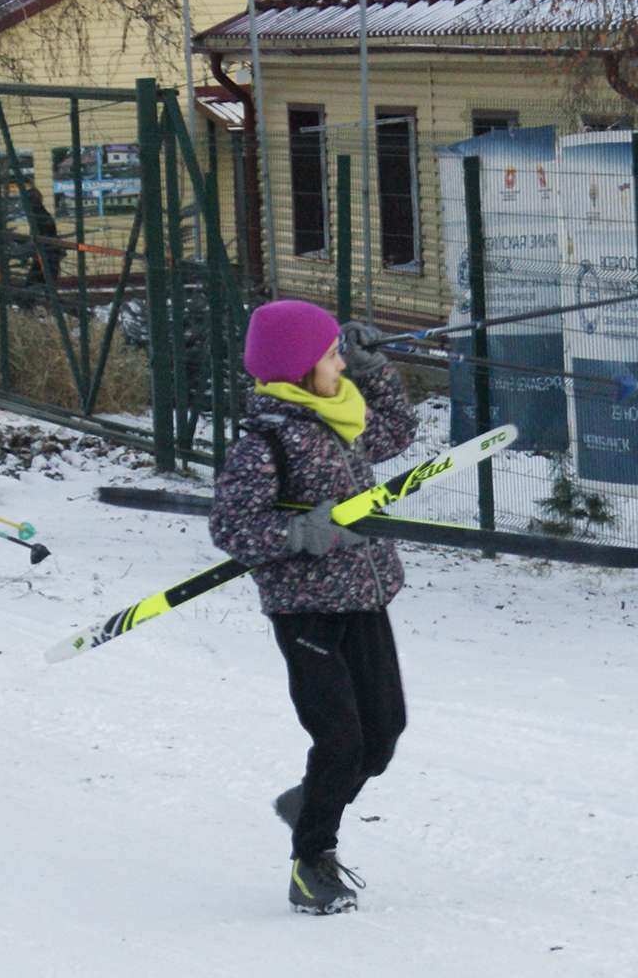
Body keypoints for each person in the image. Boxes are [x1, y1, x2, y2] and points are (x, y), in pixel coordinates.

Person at [208, 301, 420, 915]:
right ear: (299, 369)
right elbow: (232, 528)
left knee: (382, 734)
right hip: (306, 612)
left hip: (365, 599)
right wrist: (306, 536)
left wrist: (373, 367)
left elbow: (397, 430)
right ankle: (312, 862)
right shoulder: (267, 441)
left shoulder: (339, 419)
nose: (339, 366)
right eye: (331, 357)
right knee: (340, 740)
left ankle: (310, 800)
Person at [24, 187, 65, 286]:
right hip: (45, 251)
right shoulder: (39, 213)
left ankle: (31, 296)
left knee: (40, 277)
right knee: (41, 278)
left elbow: (44, 233)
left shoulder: (39, 214)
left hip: (46, 251)